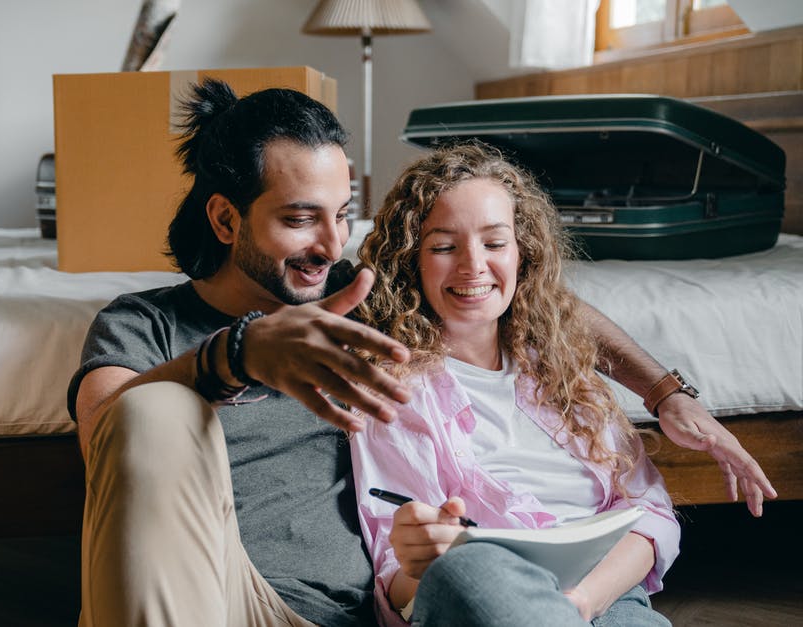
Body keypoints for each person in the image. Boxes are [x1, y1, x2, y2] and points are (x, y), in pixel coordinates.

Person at [67, 80, 773, 627]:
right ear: (225, 217)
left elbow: (532, 300)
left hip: (360, 610)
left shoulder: (354, 293)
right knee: (156, 409)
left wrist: (664, 391)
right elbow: (111, 438)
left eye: (342, 214)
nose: (329, 244)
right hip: (221, 599)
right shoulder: (145, 323)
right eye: (298, 218)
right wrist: (236, 355)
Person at [352, 141, 681, 626]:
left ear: (523, 252)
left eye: (494, 242)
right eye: (443, 246)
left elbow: (652, 514)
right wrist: (424, 558)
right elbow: (399, 578)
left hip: (604, 591)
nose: (473, 265)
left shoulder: (565, 366)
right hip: (487, 596)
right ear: (410, 260)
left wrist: (583, 602)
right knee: (474, 577)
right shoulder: (394, 391)